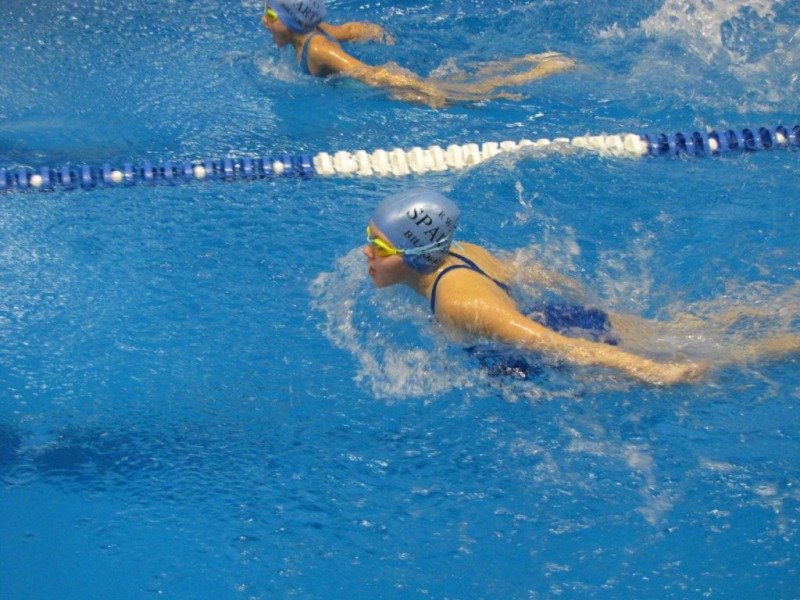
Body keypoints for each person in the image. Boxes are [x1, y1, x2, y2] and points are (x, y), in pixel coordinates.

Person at [362, 188, 800, 386]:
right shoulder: (460, 251)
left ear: (415, 254)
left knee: (718, 357)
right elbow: (529, 269)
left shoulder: (460, 303)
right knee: (680, 328)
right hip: (568, 316)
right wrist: (588, 301)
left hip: (572, 345)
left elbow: (554, 346)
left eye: (378, 245)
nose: (367, 252)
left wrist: (650, 372)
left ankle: (787, 343)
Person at [260, 0, 576, 108]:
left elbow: (366, 73)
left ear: (292, 22)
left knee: (469, 95)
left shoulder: (318, 48)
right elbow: (351, 29)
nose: (264, 20)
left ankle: (540, 71)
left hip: (389, 89)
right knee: (463, 82)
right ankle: (531, 62)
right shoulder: (316, 29)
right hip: (383, 84)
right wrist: (378, 33)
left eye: (271, 15)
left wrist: (415, 87)